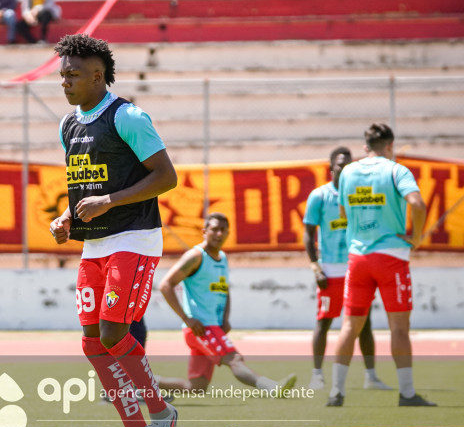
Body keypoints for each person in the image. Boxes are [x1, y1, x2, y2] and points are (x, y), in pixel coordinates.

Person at [49, 34, 179, 427]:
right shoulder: (69, 126)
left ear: (98, 75)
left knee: (113, 332)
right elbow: (84, 186)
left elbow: (166, 177)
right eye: (62, 74)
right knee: (91, 341)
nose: (65, 81)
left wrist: (110, 200)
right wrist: (66, 216)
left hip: (135, 238)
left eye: (73, 74)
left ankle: (162, 412)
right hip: (94, 244)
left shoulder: (128, 116)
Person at [327, 123, 435, 407]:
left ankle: (336, 392)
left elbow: (342, 211)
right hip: (391, 258)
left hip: (357, 258)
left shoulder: (348, 171)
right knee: (399, 328)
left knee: (349, 325)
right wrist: (417, 237)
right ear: (390, 146)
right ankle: (408, 394)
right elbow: (418, 204)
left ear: (366, 147)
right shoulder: (396, 170)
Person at [156, 213, 298, 397]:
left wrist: (225, 318)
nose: (219, 234)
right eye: (214, 229)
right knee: (235, 359)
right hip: (201, 327)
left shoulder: (222, 257)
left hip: (213, 325)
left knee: (197, 387)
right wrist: (186, 318)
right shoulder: (195, 256)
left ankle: (144, 383)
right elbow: (165, 285)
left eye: (223, 230)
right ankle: (272, 387)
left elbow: (224, 289)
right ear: (204, 231)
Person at [303, 147, 391, 391]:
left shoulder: (358, 195)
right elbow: (309, 234)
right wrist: (315, 266)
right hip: (330, 270)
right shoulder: (319, 196)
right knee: (325, 322)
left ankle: (371, 377)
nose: (346, 168)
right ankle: (317, 376)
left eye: (350, 164)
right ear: (331, 168)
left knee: (365, 324)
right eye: (341, 165)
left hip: (357, 267)